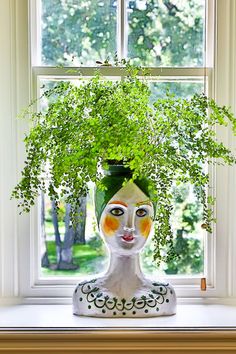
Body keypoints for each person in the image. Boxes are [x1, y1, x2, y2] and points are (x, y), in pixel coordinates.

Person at [73, 172, 176, 317]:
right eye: (117, 211)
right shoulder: (85, 295)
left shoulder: (163, 296)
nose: (129, 226)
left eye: (141, 212)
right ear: (99, 219)